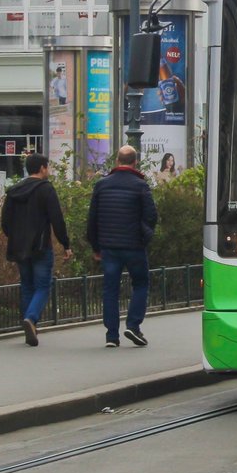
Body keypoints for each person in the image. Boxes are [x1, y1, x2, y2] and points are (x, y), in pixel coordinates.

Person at [87, 145, 158, 347]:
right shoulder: (140, 186)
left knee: (110, 289)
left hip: (109, 247)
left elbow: (92, 219)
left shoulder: (101, 185)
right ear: (135, 162)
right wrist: (144, 236)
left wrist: (96, 247)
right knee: (141, 283)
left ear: (117, 161)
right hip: (134, 246)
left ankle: (111, 335)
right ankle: (133, 325)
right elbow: (151, 215)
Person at [1, 153, 72, 347]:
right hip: (41, 246)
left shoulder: (13, 191)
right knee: (42, 286)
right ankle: (31, 318)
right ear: (42, 168)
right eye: (47, 167)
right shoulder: (46, 189)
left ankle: (30, 326)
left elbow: (5, 222)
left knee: (27, 285)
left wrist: (15, 237)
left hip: (19, 247)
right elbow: (57, 219)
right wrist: (65, 244)